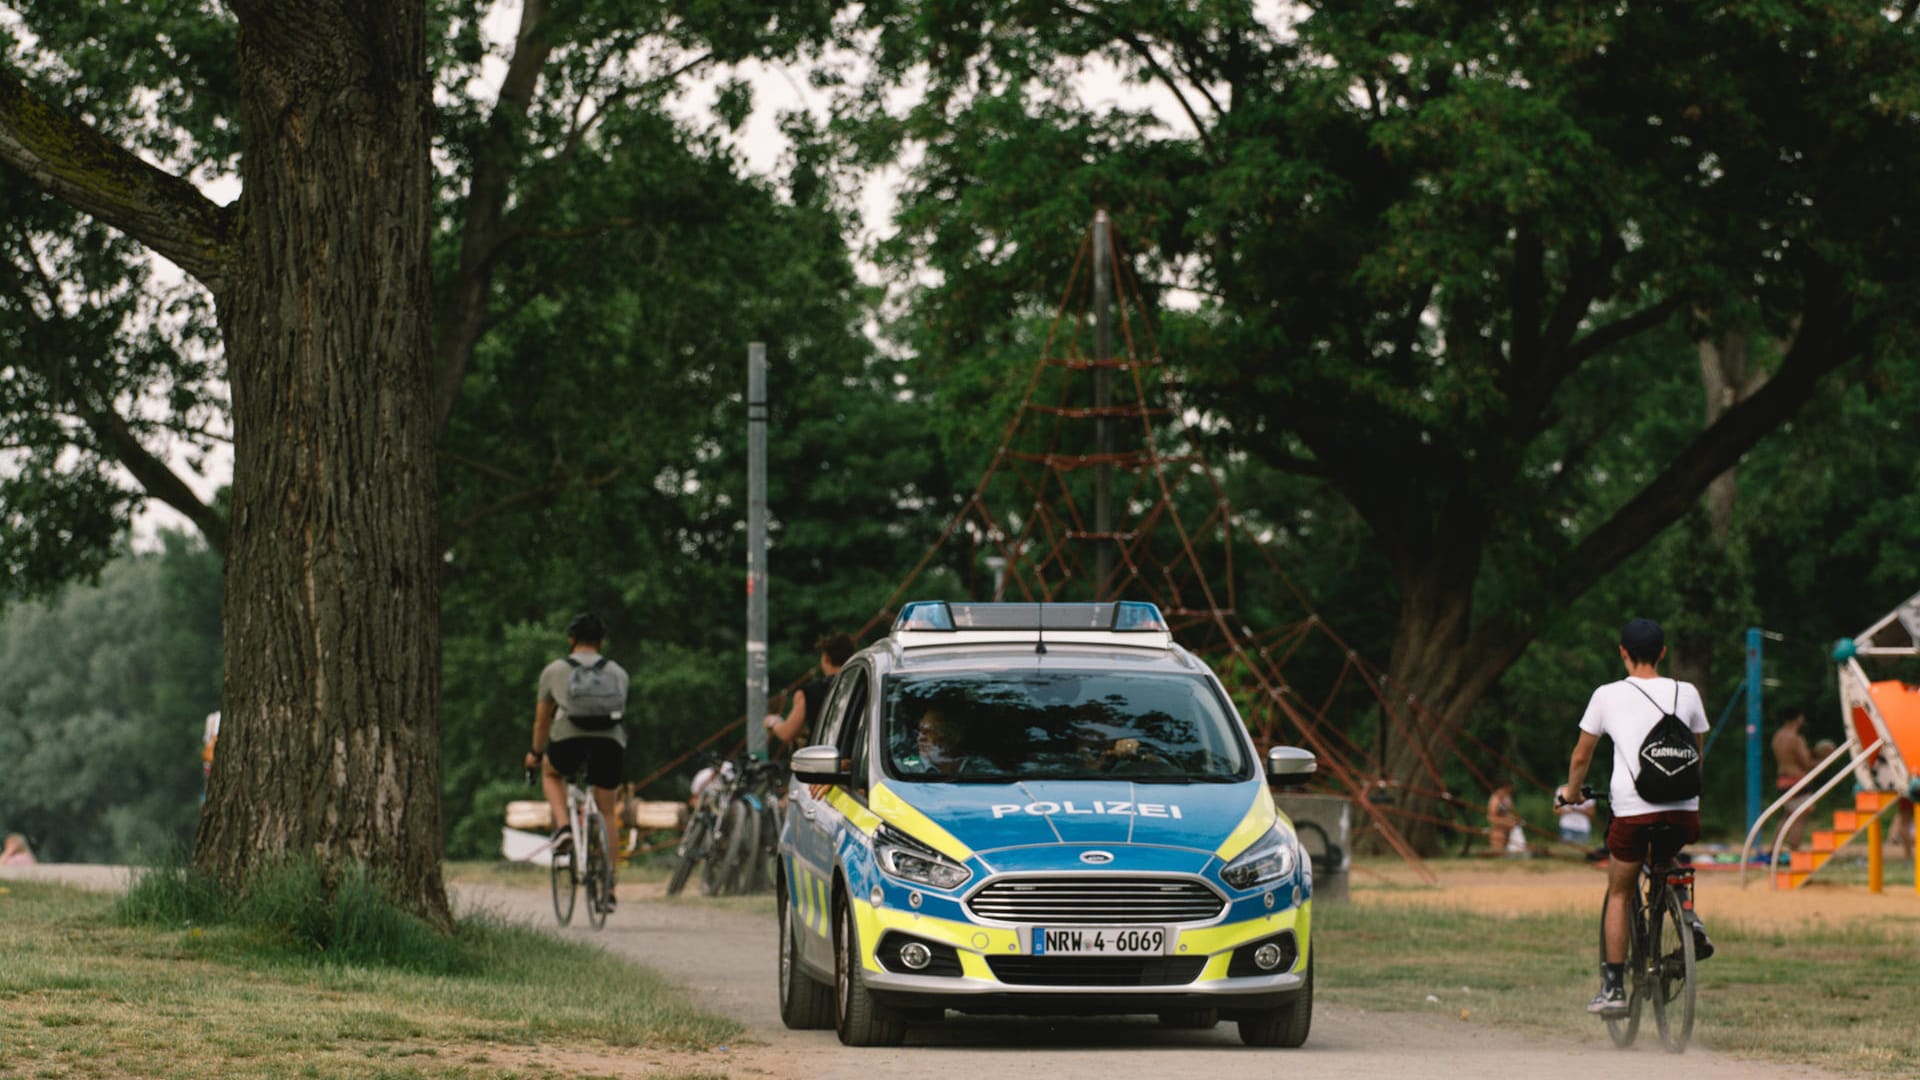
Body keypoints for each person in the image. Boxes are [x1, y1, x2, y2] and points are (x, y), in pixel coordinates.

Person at [1557, 617, 1713, 1018]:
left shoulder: (1607, 695)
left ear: (1623, 653)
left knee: (1621, 890)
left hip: (1632, 810)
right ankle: (1689, 920)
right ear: (1663, 652)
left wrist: (1572, 793)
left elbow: (1581, 755)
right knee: (1665, 858)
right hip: (1683, 810)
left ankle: (1613, 989)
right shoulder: (1687, 692)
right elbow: (1696, 751)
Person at [524, 612, 630, 907]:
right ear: (601, 642)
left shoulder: (555, 670)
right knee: (607, 811)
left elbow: (541, 722)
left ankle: (564, 829)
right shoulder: (618, 672)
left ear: (570, 640)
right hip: (609, 743)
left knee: (551, 774)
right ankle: (608, 886)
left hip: (569, 739)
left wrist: (535, 752)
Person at [765, 632, 854, 753]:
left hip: (823, 761)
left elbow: (787, 733)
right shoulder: (862, 684)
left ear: (826, 658)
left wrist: (773, 722)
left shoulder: (809, 691)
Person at [1771, 707, 1817, 850]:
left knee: (1787, 816)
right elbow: (1807, 763)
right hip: (1796, 781)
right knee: (1800, 817)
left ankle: (1773, 849)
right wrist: (1825, 758)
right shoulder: (1796, 739)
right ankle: (1794, 850)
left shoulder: (1778, 736)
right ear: (1799, 718)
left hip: (1782, 780)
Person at [1487, 781, 1521, 855]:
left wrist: (1515, 820)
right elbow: (1491, 818)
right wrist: (1506, 822)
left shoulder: (1507, 798)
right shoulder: (1495, 799)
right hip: (1499, 832)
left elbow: (1511, 811)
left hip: (1509, 830)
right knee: (1498, 851)